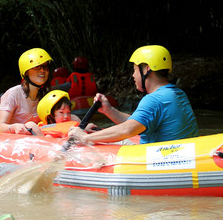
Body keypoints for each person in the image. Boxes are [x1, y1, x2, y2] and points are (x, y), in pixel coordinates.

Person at [67, 45, 198, 145]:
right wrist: (109, 110)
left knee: (91, 144)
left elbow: (128, 130)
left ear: (147, 68)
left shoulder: (154, 99)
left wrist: (85, 137)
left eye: (135, 70)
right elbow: (138, 124)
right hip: (179, 154)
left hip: (160, 159)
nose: (133, 75)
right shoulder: (177, 93)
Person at [0, 48, 53, 135]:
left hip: (38, 137)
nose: (42, 71)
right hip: (17, 140)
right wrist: (14, 127)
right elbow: (0, 127)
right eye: (37, 67)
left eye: (45, 67)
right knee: (31, 125)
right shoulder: (13, 93)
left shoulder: (47, 94)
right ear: (26, 72)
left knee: (73, 117)